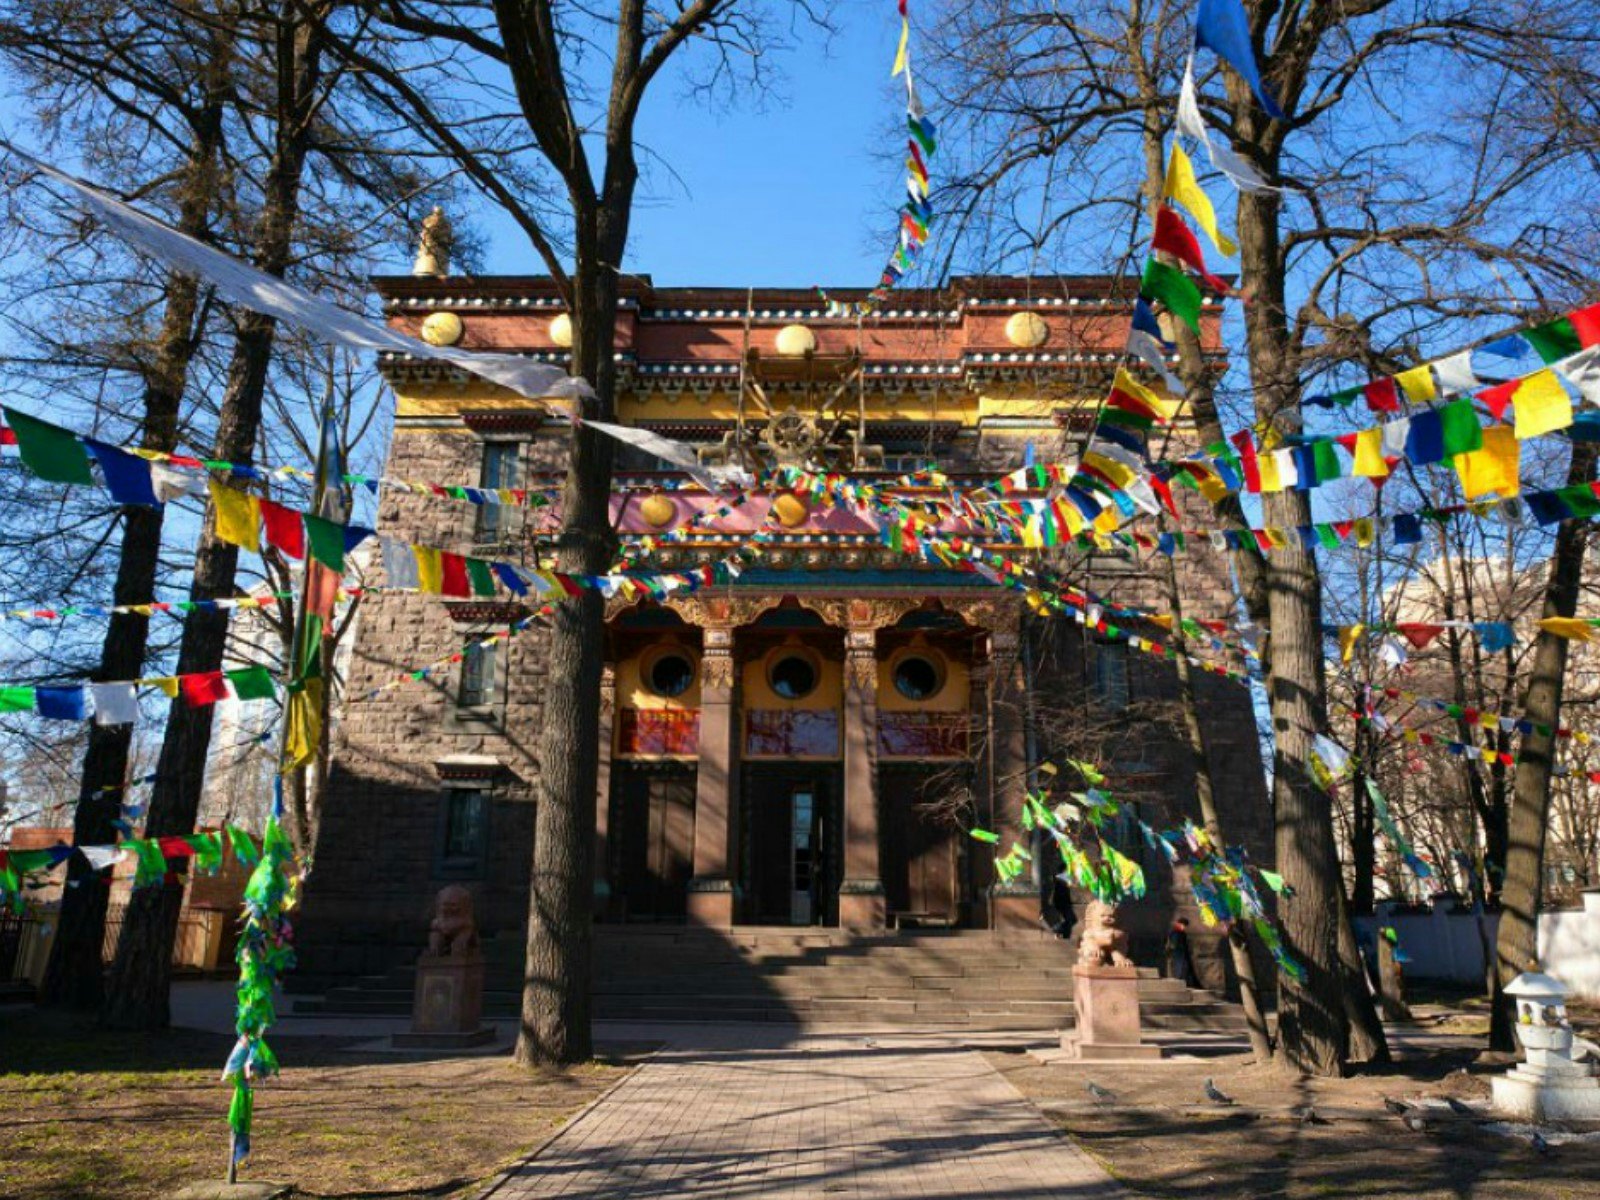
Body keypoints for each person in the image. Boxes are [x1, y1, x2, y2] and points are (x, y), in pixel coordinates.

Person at [1165, 916, 1199, 985]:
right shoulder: (1176, 932)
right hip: (1179, 955)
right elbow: (1174, 944)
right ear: (1180, 924)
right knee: (1180, 970)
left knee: (1182, 970)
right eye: (1184, 925)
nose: (1184, 928)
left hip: (1180, 955)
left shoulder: (1177, 932)